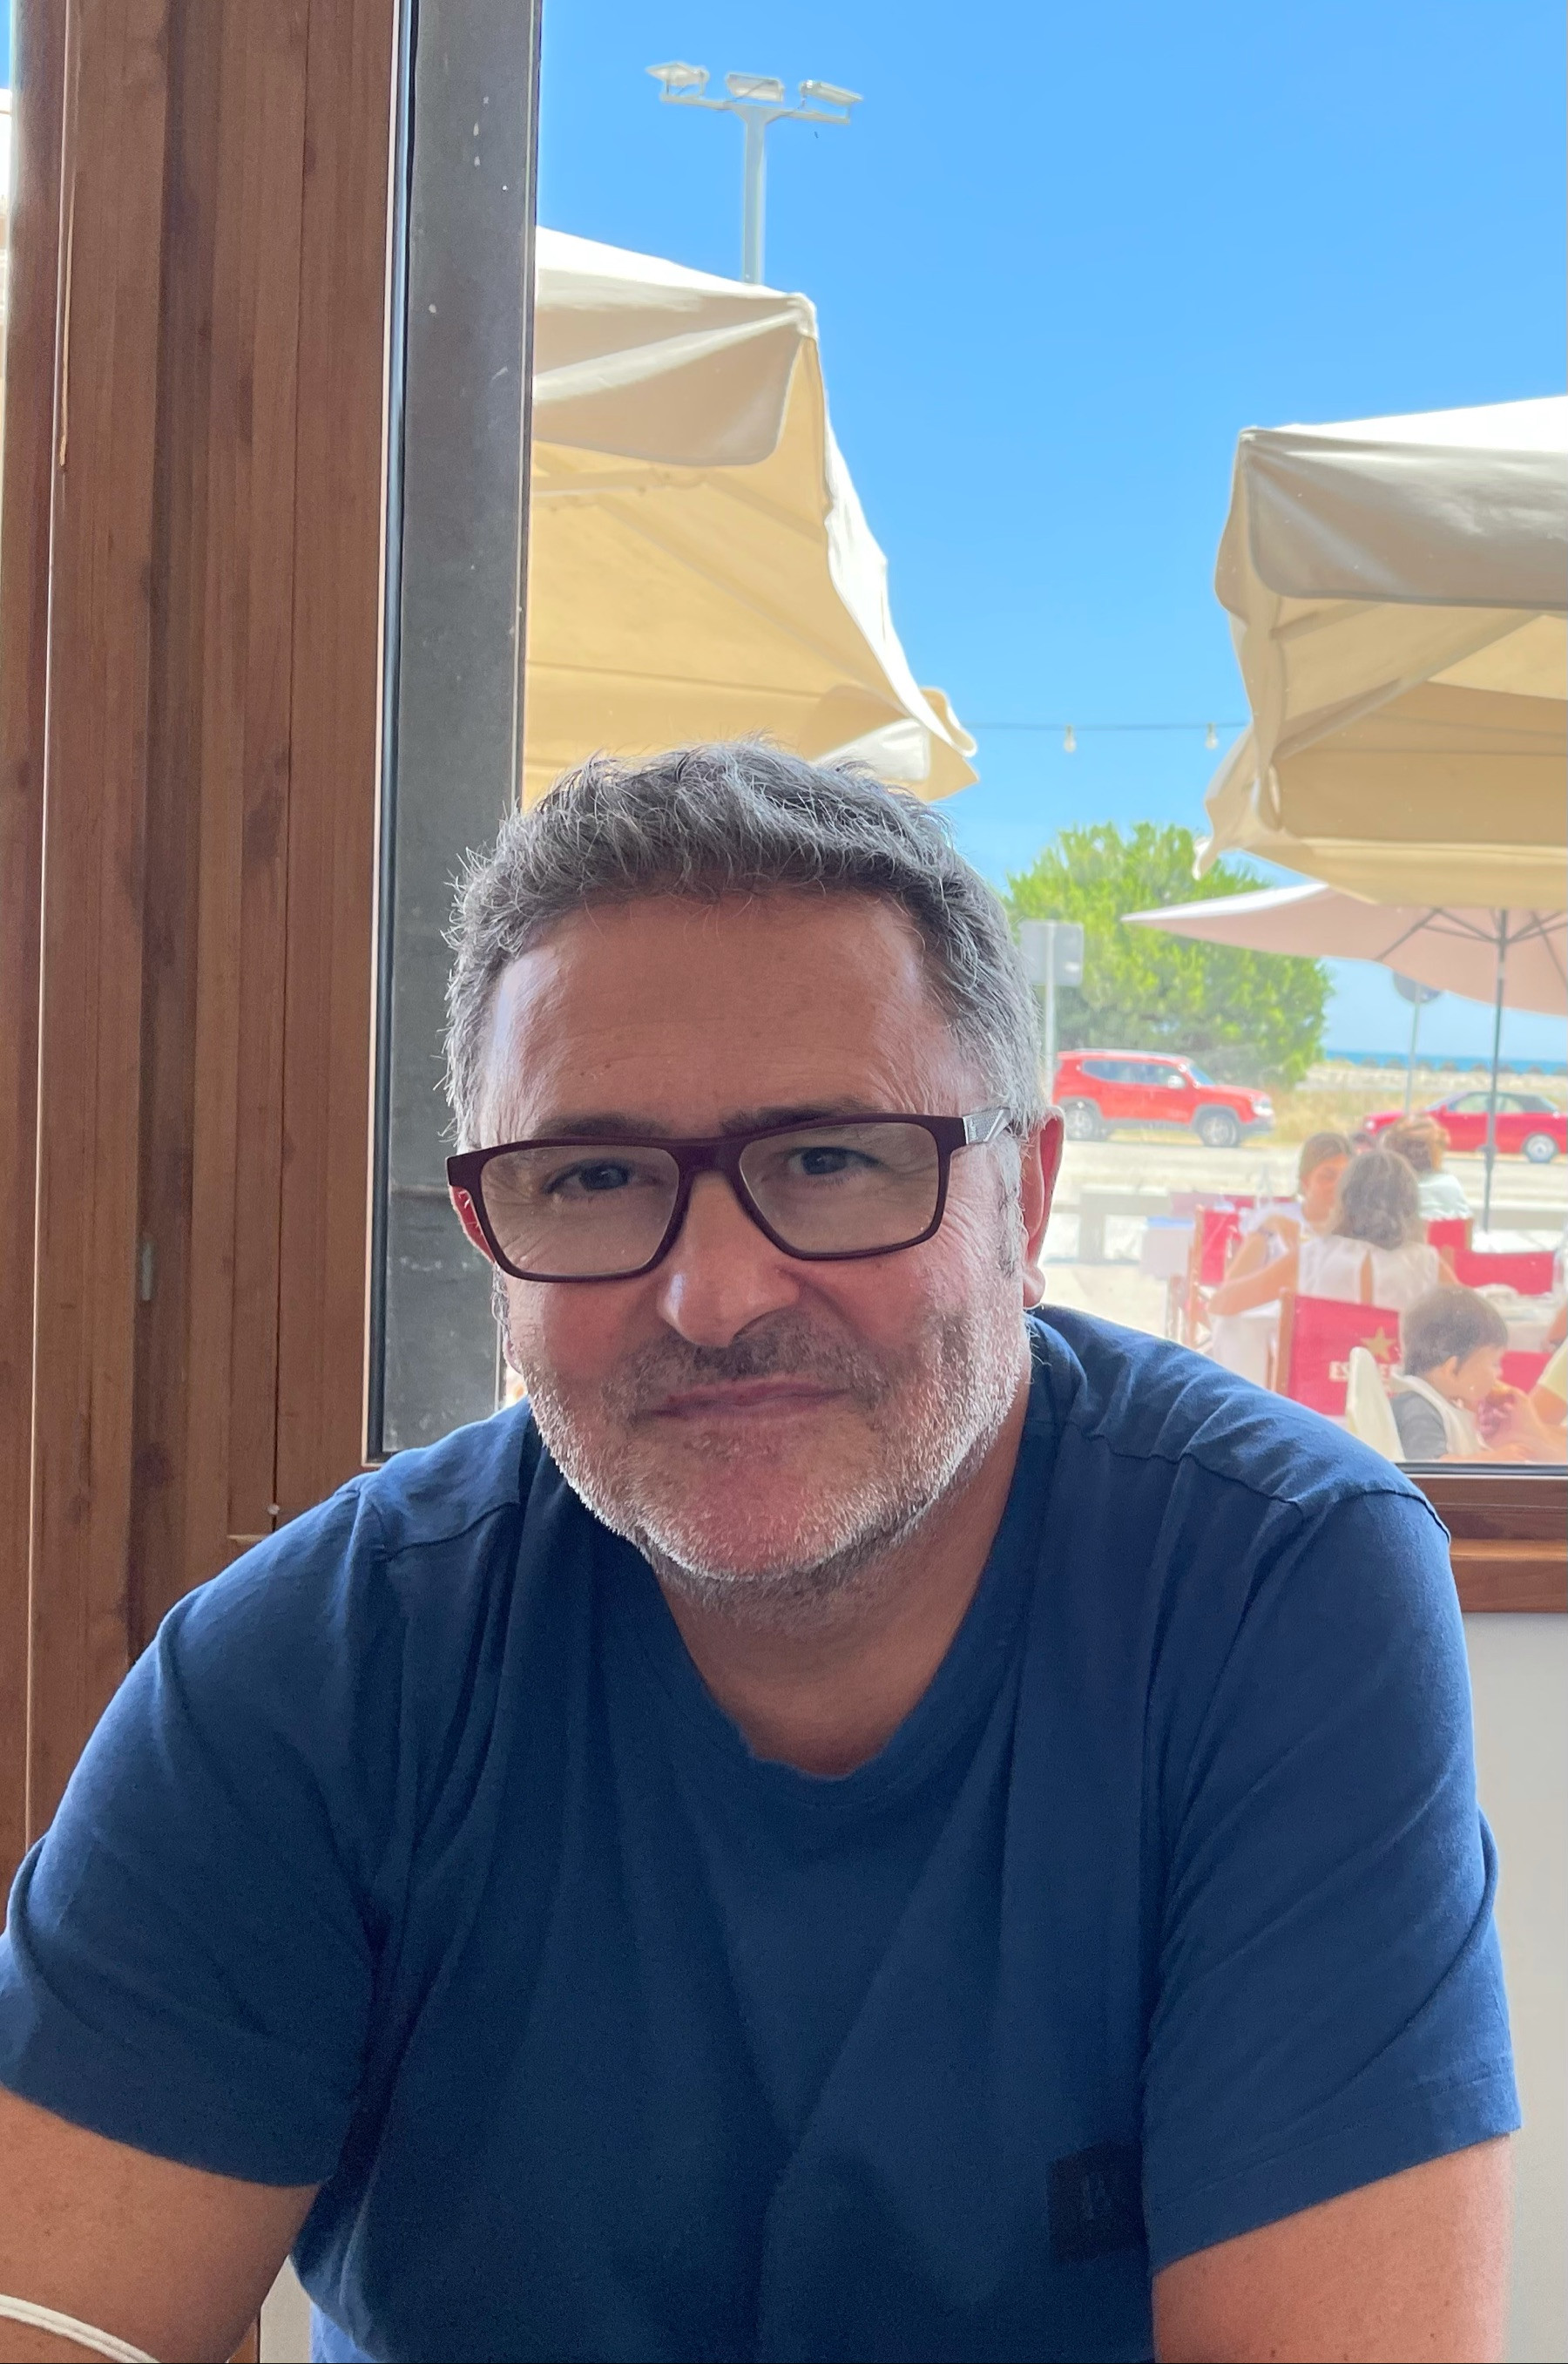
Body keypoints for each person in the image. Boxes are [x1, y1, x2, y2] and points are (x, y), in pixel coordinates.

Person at [0, 747, 1516, 2364]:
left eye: (832, 1158)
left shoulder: (1271, 1593)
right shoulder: (308, 1672)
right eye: (594, 1177)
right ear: (493, 1243)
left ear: (1025, 1200)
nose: (715, 1299)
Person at [1208, 1147, 1453, 1324]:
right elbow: (1473, 1328)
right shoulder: (1428, 1266)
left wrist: (1262, 1231)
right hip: (1395, 1382)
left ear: (1343, 1200)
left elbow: (1221, 1303)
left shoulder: (1311, 1258)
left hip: (1316, 1382)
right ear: (1410, 1206)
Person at [1205, 1132, 1350, 1387]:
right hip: (1270, 1335)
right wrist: (1267, 1229)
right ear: (1305, 1182)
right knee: (1235, 1326)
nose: (1337, 1186)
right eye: (1327, 1176)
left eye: (1345, 1178)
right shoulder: (1276, 1221)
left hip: (1329, 1339)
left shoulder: (1356, 1235)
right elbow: (1230, 1287)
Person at [1390, 1287, 1566, 1463]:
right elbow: (1430, 1467)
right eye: (1494, 1364)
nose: (1500, 1373)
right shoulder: (1418, 1408)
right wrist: (1492, 1459)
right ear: (1451, 1370)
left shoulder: (1443, 1403)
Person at [1383, 1115, 1471, 1223]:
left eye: (1421, 1145)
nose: (1415, 1152)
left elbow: (1464, 1225)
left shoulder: (1449, 1184)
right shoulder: (1389, 1186)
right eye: (1408, 1145)